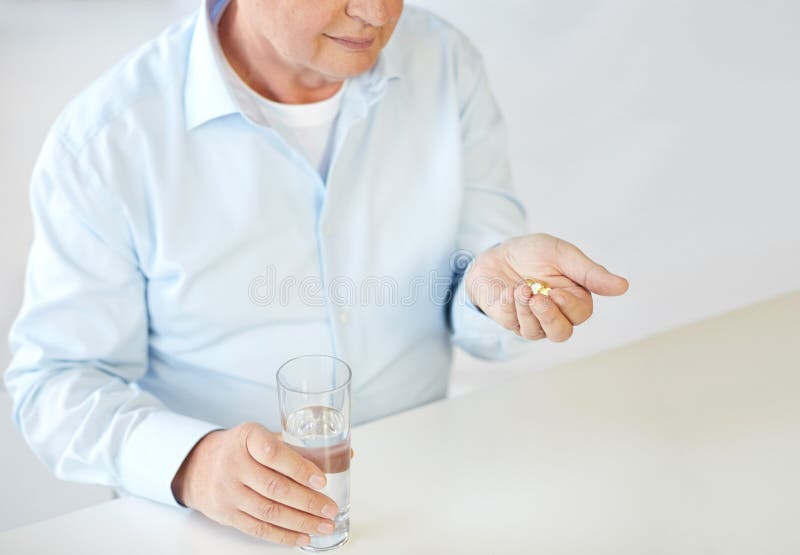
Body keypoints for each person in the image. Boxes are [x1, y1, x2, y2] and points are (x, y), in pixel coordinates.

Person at [4, 0, 629, 548]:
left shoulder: (445, 62)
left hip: (425, 493)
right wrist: (192, 465)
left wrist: (496, 295)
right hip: (210, 526)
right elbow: (56, 380)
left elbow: (470, 285)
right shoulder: (109, 139)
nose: (378, 13)